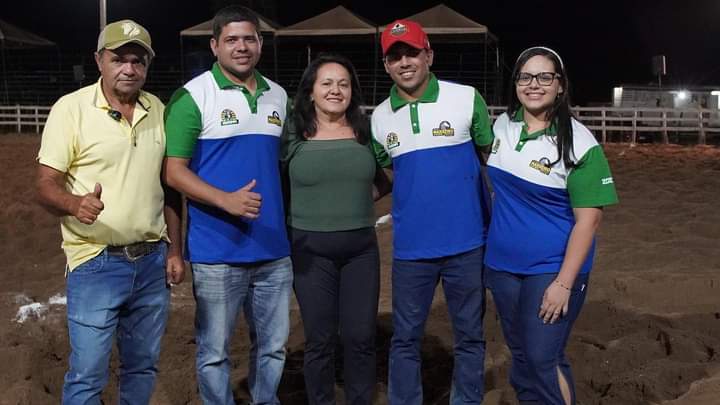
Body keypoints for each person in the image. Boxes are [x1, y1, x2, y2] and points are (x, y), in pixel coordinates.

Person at [36, 19, 185, 404]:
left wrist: (174, 250)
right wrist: (75, 203)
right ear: (99, 60)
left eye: (138, 61)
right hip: (95, 261)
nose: (129, 69)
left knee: (142, 366)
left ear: (147, 65)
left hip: (152, 262)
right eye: (119, 59)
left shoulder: (158, 109)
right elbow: (45, 184)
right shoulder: (71, 109)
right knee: (88, 373)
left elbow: (169, 187)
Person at [163, 5, 292, 405]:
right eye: (232, 40)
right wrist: (226, 200)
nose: (242, 47)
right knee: (214, 353)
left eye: (249, 39)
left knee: (272, 348)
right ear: (214, 45)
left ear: (260, 44)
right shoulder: (192, 96)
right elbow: (173, 172)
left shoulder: (278, 96)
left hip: (273, 250)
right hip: (216, 252)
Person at [484, 46, 619, 405]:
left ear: (560, 85)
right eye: (525, 77)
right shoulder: (502, 126)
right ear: (515, 83)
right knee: (522, 354)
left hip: (552, 268)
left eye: (545, 77)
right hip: (502, 266)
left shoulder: (579, 142)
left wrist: (563, 283)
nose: (534, 84)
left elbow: (589, 221)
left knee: (542, 358)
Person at [370, 20, 494, 405]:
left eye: (412, 53)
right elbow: (389, 175)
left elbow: (492, 159)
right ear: (386, 65)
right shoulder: (379, 117)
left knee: (469, 336)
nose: (404, 62)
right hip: (411, 250)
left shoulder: (466, 98)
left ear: (429, 55)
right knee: (405, 339)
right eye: (395, 57)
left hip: (467, 244)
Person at [283, 54, 391, 405]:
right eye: (327, 83)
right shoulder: (293, 134)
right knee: (320, 339)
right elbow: (277, 183)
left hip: (360, 251)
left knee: (360, 338)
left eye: (343, 84)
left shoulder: (365, 132)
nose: (335, 90)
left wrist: (351, 201)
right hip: (309, 251)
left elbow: (386, 179)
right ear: (310, 91)